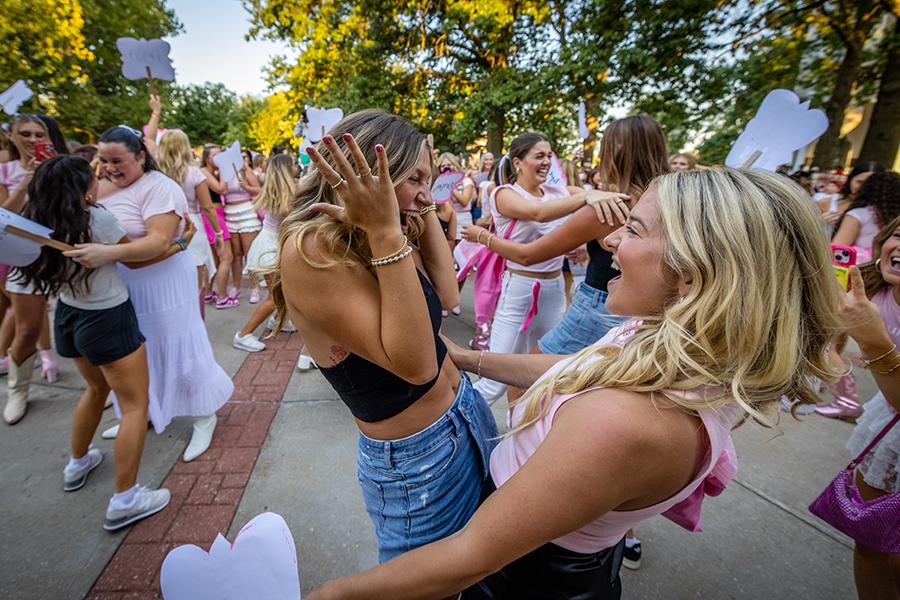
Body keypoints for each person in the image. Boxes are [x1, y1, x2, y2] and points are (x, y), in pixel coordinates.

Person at [306, 167, 842, 600]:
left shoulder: (625, 425)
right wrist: (469, 359)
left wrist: (333, 595)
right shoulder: (678, 341)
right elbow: (581, 368)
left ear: (692, 275)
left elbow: (467, 558)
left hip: (527, 578)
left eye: (632, 230)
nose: (607, 241)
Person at [269, 110, 498, 561]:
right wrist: (385, 229)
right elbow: (416, 365)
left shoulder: (393, 226)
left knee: (478, 572)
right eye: (413, 177)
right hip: (419, 462)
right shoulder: (312, 247)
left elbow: (448, 293)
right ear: (373, 171)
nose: (425, 194)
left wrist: (416, 202)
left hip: (466, 415)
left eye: (428, 179)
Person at [463, 115, 669, 566]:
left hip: (598, 306)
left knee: (525, 384)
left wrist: (480, 237)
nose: (546, 161)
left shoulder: (608, 206)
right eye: (539, 155)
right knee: (622, 401)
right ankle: (622, 528)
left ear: (615, 152)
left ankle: (526, 478)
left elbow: (530, 251)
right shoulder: (670, 198)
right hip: (647, 317)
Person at [18, 155, 172, 529]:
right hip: (107, 318)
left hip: (68, 316)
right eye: (93, 177)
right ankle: (125, 497)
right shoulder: (96, 219)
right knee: (135, 405)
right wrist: (179, 243)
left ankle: (77, 462)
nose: (99, 180)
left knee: (94, 389)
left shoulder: (37, 221)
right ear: (82, 187)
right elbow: (136, 258)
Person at [66, 125, 233, 462]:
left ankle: (204, 414)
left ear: (141, 156)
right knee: (139, 350)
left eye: (119, 160)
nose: (110, 168)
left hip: (164, 283)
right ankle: (144, 411)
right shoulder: (101, 187)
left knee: (178, 342)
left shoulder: (160, 187)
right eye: (104, 160)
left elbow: (159, 240)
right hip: (125, 285)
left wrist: (106, 254)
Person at [469, 131, 625, 405]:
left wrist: (575, 246)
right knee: (495, 381)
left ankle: (518, 436)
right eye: (538, 156)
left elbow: (579, 205)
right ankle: (459, 430)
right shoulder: (504, 193)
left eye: (549, 156)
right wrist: (587, 197)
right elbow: (537, 213)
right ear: (517, 162)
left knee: (543, 375)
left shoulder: (557, 192)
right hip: (518, 288)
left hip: (553, 291)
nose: (545, 162)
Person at [839, 220, 900, 599]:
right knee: (870, 540)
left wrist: (874, 341)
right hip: (888, 427)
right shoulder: (873, 290)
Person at [1, 113, 67, 424]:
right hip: (25, 259)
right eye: (25, 134)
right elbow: (3, 216)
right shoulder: (5, 170)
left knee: (80, 324)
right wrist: (26, 181)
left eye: (39, 134)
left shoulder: (60, 166)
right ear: (11, 137)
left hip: (65, 256)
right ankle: (18, 390)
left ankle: (102, 384)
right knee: (26, 329)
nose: (32, 140)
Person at [233, 154, 314, 371]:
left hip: (269, 245)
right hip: (268, 249)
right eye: (293, 165)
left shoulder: (279, 190)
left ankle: (276, 321)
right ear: (286, 170)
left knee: (282, 293)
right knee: (274, 298)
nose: (297, 167)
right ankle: (243, 334)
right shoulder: (287, 196)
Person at [157, 130, 225, 313]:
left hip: (163, 226)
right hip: (191, 226)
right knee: (196, 285)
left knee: (170, 283)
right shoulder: (194, 173)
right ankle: (196, 326)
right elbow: (208, 208)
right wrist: (218, 233)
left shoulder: (155, 174)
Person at [221, 149, 263, 304]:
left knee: (249, 253)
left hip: (246, 213)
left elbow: (258, 189)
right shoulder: (222, 172)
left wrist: (245, 186)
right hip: (229, 214)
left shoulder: (245, 170)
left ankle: (255, 288)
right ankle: (236, 286)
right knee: (236, 255)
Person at [199, 144, 238, 308]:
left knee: (215, 259)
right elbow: (222, 189)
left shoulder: (208, 172)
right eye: (217, 156)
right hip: (213, 216)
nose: (221, 159)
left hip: (215, 215)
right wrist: (223, 169)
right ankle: (222, 297)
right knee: (226, 257)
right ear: (208, 158)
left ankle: (208, 293)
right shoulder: (203, 172)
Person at [831, 171, 900, 263]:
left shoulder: (858, 214)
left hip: (858, 268)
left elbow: (837, 248)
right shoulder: (896, 218)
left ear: (867, 189)